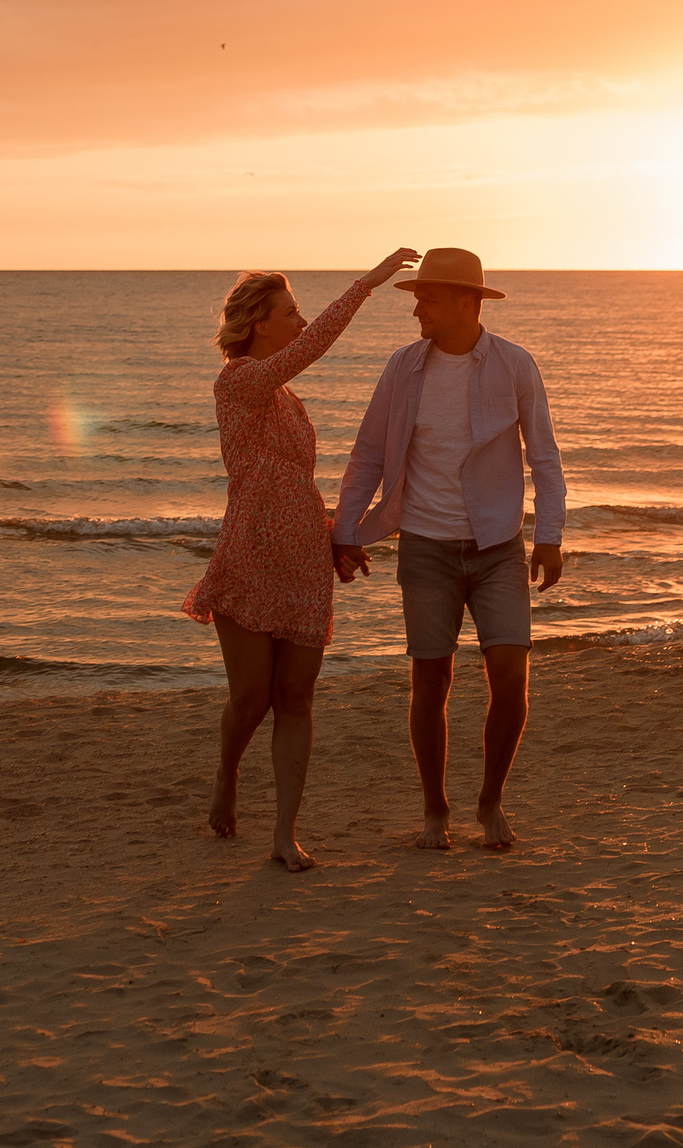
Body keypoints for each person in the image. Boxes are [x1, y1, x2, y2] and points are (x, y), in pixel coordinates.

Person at [184, 247, 420, 872]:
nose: (300, 321)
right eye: (291, 312)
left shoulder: (288, 398)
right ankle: (227, 773)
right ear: (260, 322)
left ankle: (285, 833)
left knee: (296, 697)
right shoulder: (239, 381)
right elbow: (312, 347)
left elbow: (294, 484)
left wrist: (335, 540)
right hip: (251, 553)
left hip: (303, 564)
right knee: (251, 699)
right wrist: (368, 283)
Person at [331, 247, 566, 851]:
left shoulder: (515, 365)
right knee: (430, 679)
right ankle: (435, 811)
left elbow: (543, 456)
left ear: (467, 301)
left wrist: (550, 535)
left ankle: (489, 803)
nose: (416, 311)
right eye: (415, 299)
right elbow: (367, 456)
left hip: (498, 547)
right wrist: (345, 530)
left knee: (511, 679)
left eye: (426, 299)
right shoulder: (403, 369)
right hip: (426, 549)